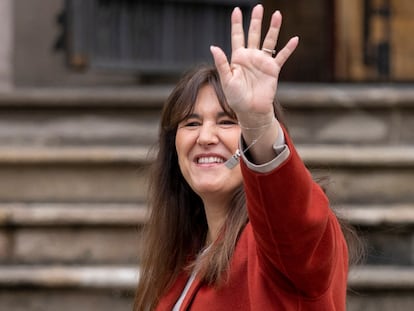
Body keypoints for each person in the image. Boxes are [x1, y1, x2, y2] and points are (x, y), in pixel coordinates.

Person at [134, 4, 361, 311]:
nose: (206, 137)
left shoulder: (282, 245)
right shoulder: (187, 256)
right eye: (191, 123)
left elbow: (291, 214)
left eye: (227, 121)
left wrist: (257, 122)